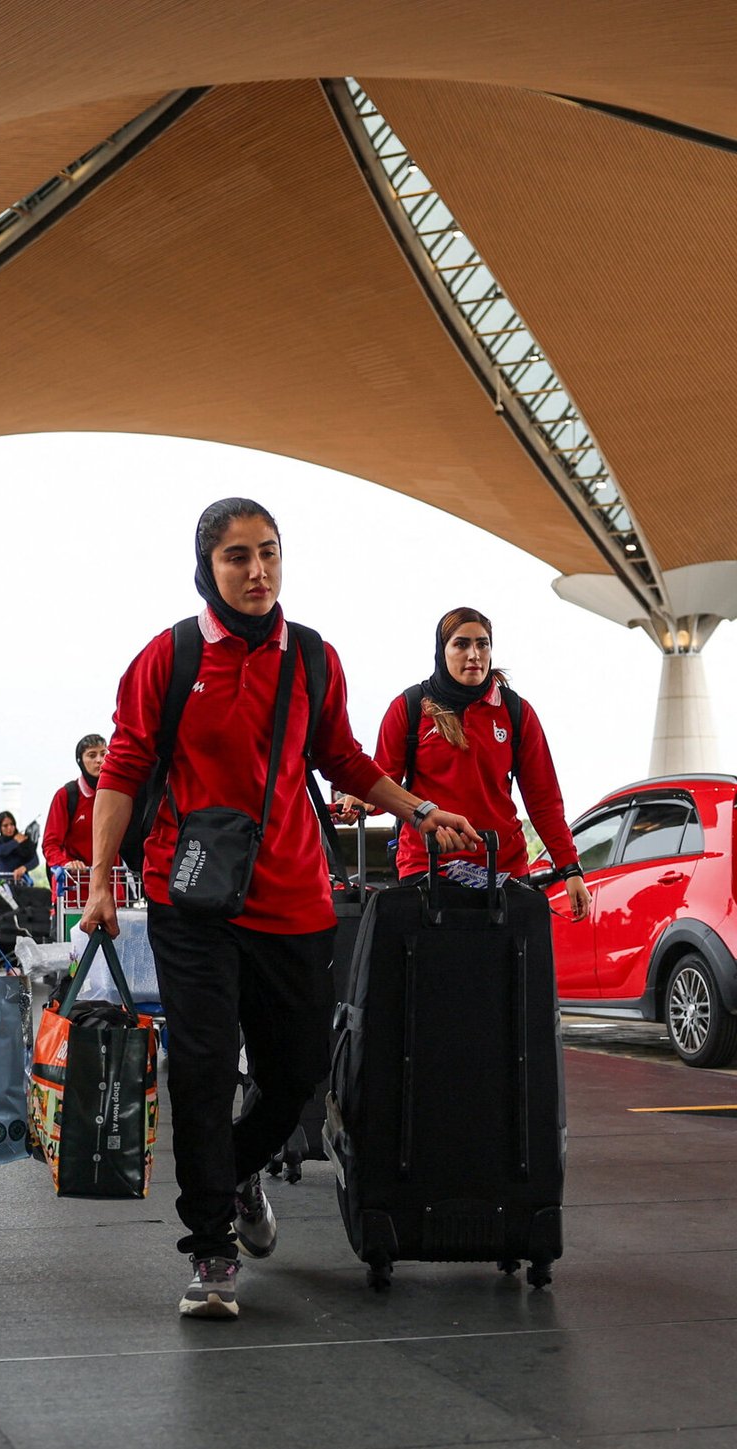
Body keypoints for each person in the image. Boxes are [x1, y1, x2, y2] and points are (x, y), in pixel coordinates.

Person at [82, 498, 479, 1320]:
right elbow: (123, 768)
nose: (257, 570)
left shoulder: (311, 657)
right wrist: (98, 881)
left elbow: (342, 757)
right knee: (201, 1071)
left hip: (292, 896)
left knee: (297, 1070)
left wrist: (418, 810)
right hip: (190, 895)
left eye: (268, 552)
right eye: (238, 556)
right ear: (207, 568)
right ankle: (211, 1247)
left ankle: (233, 1173)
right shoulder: (169, 657)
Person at [373, 608, 590, 920]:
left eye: (482, 644)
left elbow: (544, 802)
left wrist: (571, 869)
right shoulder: (409, 708)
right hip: (428, 868)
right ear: (442, 651)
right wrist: (358, 800)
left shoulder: (516, 711)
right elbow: (382, 788)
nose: (474, 654)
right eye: (461, 644)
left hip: (503, 871)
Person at [43, 734, 106, 871]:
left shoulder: (117, 795)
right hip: (75, 880)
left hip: (113, 880)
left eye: (103, 754)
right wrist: (66, 863)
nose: (99, 760)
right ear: (80, 760)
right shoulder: (66, 795)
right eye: (92, 755)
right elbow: (50, 844)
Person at [0, 811, 38, 882]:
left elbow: (35, 860)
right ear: (0, 827)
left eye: (12, 824)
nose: (9, 828)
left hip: (20, 882)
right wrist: (15, 842)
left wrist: (24, 868)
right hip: (0, 882)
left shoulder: (23, 840)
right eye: (5, 826)